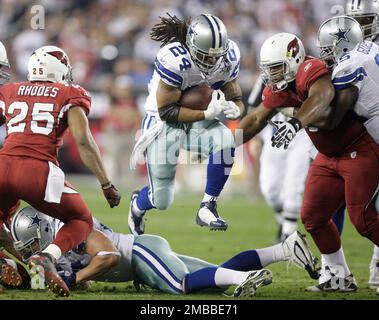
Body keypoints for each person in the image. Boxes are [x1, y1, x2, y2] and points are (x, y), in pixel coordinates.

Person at [237, 31, 379, 291]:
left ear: (293, 59)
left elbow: (322, 97)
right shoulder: (282, 87)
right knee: (313, 216)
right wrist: (227, 142)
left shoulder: (311, 69)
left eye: (277, 69)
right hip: (328, 155)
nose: (272, 76)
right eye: (268, 70)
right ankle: (339, 276)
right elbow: (257, 118)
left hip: (356, 151)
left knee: (364, 220)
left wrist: (295, 123)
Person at [0, 45, 121, 296]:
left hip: (3, 165)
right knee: (81, 220)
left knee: (2, 220)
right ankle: (46, 257)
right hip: (37, 170)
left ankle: (10, 263)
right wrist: (106, 183)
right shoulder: (69, 93)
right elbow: (84, 141)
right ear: (60, 71)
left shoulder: (9, 91)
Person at [10, 206, 318, 298]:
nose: (32, 252)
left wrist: (73, 278)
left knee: (179, 286)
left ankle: (246, 277)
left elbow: (108, 258)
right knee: (212, 277)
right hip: (144, 256)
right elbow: (88, 277)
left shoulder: (77, 230)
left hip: (141, 252)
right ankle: (283, 249)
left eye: (34, 244)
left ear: (48, 231)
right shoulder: (59, 243)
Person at [128, 14, 245, 235]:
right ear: (191, 47)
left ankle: (208, 206)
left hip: (198, 118)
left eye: (216, 56)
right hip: (163, 123)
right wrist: (205, 113)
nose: (212, 62)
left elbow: (236, 96)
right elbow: (167, 111)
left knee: (227, 139)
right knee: (161, 199)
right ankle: (137, 204)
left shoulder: (228, 57)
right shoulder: (174, 59)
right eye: (206, 56)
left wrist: (237, 108)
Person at [248, 84, 313, 242]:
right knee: (270, 189)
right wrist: (255, 137)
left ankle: (288, 234)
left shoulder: (307, 75)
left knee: (293, 187)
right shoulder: (267, 76)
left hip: (301, 134)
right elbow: (253, 106)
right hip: (274, 132)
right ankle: (285, 222)